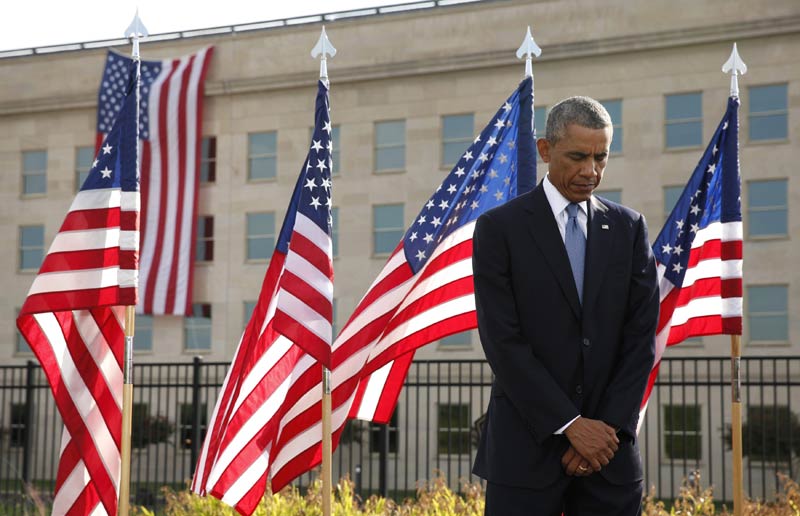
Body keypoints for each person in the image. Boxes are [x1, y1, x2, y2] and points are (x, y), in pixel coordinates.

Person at [472, 96, 659, 516]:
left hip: (609, 458)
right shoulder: (499, 230)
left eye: (601, 157)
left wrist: (604, 431)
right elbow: (503, 341)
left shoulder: (629, 229)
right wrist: (570, 426)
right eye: (577, 156)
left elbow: (640, 337)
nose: (590, 171)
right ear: (545, 150)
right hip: (524, 454)